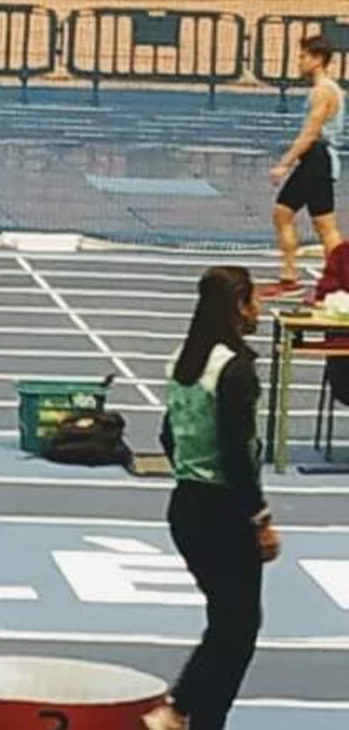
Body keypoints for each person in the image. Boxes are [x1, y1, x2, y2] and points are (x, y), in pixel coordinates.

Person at [142, 266, 280, 730]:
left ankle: (189, 715)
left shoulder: (183, 362)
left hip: (186, 506)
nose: (260, 310)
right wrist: (260, 518)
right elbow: (237, 451)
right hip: (224, 512)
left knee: (229, 624)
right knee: (237, 629)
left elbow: (167, 434)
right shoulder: (235, 369)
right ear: (239, 305)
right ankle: (178, 709)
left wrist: (191, 469)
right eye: (255, 300)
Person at [263, 35, 345, 299]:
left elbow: (310, 134)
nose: (299, 62)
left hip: (317, 160)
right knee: (283, 212)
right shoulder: (322, 90)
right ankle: (289, 278)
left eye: (303, 57)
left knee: (325, 226)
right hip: (312, 160)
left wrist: (283, 164)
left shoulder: (324, 92)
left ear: (318, 59)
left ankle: (340, 283)